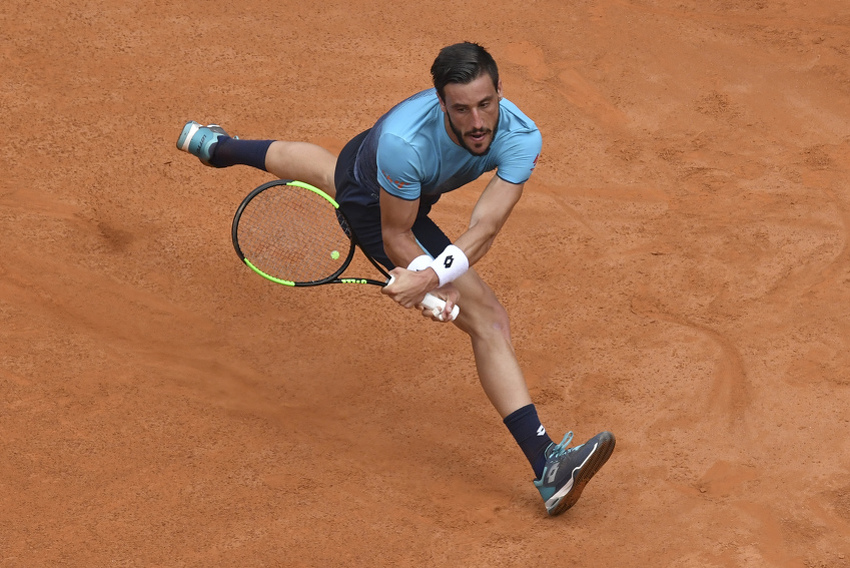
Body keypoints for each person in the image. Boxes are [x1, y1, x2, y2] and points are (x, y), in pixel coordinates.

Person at [176, 41, 615, 516]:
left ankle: (217, 146)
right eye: (461, 109)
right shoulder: (405, 144)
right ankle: (548, 464)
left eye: (486, 104)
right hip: (376, 203)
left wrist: (432, 277)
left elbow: (485, 228)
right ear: (440, 102)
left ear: (500, 92)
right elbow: (396, 233)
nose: (477, 122)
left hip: (381, 168)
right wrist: (431, 283)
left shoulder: (521, 136)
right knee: (488, 321)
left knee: (330, 169)